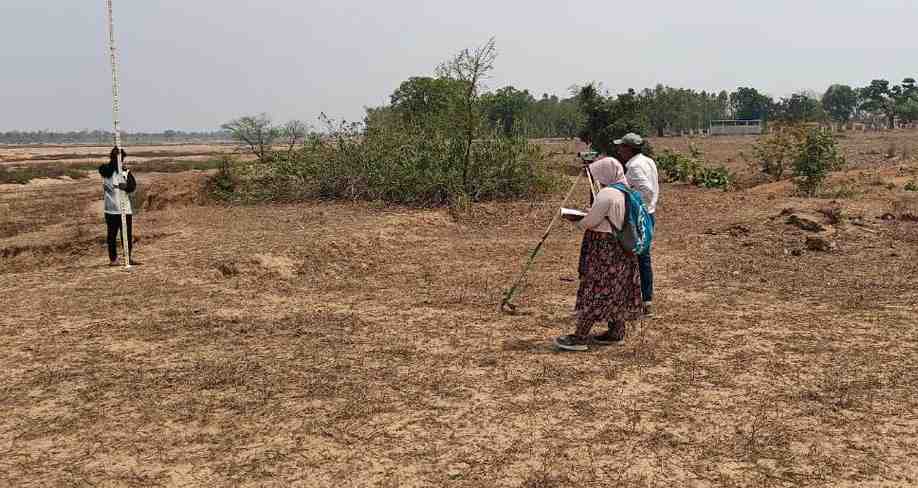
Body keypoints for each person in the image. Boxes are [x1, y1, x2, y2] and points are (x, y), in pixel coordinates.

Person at [555, 160, 643, 351]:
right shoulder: (626, 191)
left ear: (604, 174)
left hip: (603, 248)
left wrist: (576, 220)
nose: (595, 181)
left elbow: (591, 221)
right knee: (617, 289)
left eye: (596, 176)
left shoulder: (607, 193)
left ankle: (580, 337)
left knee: (596, 289)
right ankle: (616, 332)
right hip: (621, 247)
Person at [614, 133, 659, 317]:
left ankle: (638, 301)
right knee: (643, 258)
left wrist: (628, 195)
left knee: (635, 258)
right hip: (649, 212)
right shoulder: (648, 161)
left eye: (622, 147)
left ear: (629, 149)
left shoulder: (634, 166)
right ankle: (645, 300)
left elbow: (646, 191)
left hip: (640, 215)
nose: (619, 150)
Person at [99, 146, 138, 266]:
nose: (121, 161)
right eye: (120, 159)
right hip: (111, 210)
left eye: (122, 159)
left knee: (126, 235)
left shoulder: (126, 172)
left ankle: (128, 258)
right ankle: (113, 259)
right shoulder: (106, 171)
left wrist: (125, 186)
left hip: (125, 209)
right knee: (111, 236)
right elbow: (102, 169)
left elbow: (132, 187)